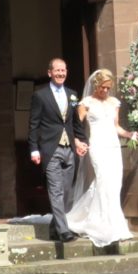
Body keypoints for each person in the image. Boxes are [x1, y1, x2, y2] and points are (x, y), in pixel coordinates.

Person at [66, 68, 135, 247]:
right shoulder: (86, 102)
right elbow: (76, 125)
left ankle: (112, 223)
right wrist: (78, 142)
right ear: (96, 85)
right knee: (103, 181)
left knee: (114, 183)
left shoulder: (114, 102)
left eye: (108, 88)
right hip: (97, 146)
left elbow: (116, 127)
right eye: (102, 87)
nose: (105, 91)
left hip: (113, 146)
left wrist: (129, 134)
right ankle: (102, 225)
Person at [28, 58, 88, 243]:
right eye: (57, 70)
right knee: (56, 191)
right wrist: (34, 149)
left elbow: (74, 123)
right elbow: (33, 124)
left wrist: (82, 141)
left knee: (67, 192)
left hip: (69, 148)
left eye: (63, 70)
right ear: (50, 73)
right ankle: (64, 231)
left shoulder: (72, 94)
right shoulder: (40, 95)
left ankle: (55, 228)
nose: (61, 73)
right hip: (50, 148)